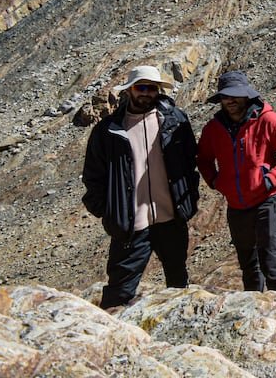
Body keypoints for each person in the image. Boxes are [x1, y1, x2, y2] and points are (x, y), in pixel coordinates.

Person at [80, 65, 200, 309]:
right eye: (141, 87)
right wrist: (111, 211)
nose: (146, 93)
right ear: (129, 91)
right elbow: (94, 176)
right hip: (131, 225)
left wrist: (189, 198)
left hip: (171, 219)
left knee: (178, 282)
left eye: (152, 88)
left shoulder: (175, 121)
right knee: (119, 291)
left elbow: (190, 162)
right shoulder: (108, 131)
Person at [197, 70, 276, 294]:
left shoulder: (267, 120)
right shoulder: (214, 128)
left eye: (235, 95)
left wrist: (269, 179)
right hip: (236, 206)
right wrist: (216, 182)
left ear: (246, 95)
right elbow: (203, 159)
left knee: (272, 266)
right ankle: (253, 317)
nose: (230, 100)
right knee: (248, 267)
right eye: (226, 96)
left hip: (267, 201)